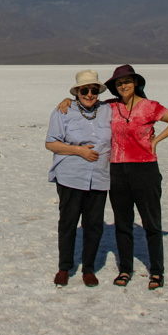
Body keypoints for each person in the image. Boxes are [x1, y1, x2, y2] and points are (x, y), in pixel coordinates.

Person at [59, 64, 168, 290]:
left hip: (145, 170)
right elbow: (86, 102)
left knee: (152, 223)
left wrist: (156, 141)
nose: (123, 85)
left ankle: (156, 272)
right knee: (123, 224)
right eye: (119, 83)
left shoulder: (150, 106)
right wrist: (66, 101)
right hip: (116, 170)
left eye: (127, 81)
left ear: (135, 82)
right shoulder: (110, 107)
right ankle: (125, 269)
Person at [45, 69, 113, 287]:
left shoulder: (107, 110)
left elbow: (130, 105)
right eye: (85, 90)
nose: (90, 94)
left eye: (94, 90)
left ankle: (89, 268)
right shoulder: (63, 111)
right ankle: (64, 267)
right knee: (68, 223)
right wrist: (79, 151)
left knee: (94, 224)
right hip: (71, 176)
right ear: (77, 92)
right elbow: (51, 143)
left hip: (100, 176)